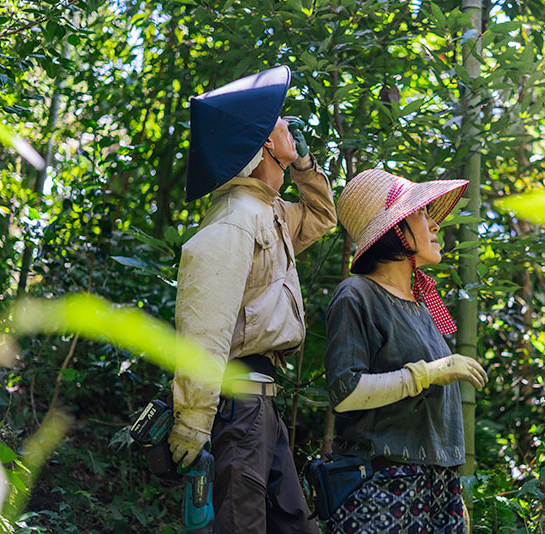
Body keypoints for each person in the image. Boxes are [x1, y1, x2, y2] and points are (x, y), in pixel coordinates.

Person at [168, 65, 336, 533]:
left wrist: (300, 164)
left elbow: (323, 216)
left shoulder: (268, 211)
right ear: (263, 141)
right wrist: (193, 418)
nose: (288, 124)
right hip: (236, 406)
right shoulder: (235, 218)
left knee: (292, 524)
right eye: (279, 121)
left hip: (261, 406)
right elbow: (205, 324)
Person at [323, 168, 488, 533]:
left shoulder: (420, 305)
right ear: (395, 230)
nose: (434, 225)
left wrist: (451, 491)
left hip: (438, 487)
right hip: (381, 484)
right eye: (421, 214)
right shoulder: (356, 294)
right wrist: (430, 373)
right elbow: (344, 392)